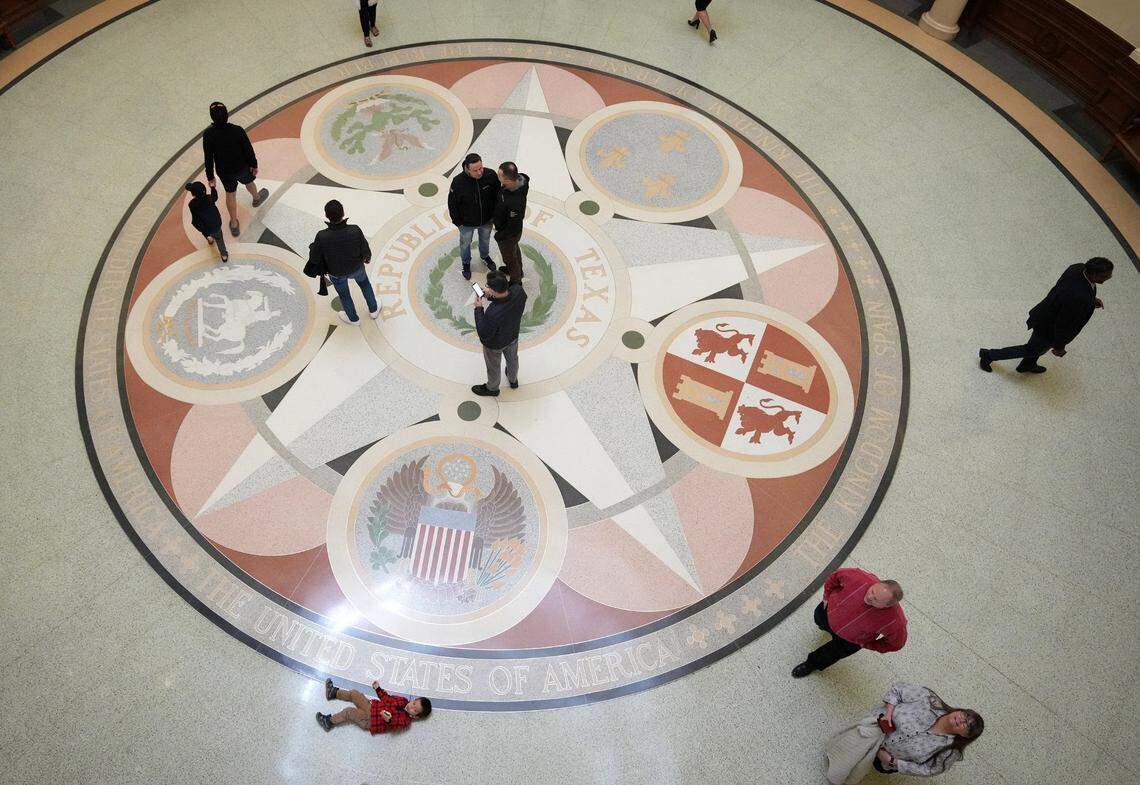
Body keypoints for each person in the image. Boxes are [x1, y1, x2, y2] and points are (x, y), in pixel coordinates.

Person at [825, 682, 984, 783]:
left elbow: (929, 770)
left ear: (965, 736)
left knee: (856, 770)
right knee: (845, 749)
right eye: (966, 715)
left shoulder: (950, 752)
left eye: (967, 726)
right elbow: (897, 690)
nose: (962, 720)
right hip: (874, 731)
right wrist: (888, 714)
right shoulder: (929, 699)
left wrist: (893, 761)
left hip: (885, 760)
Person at [979, 257, 1113, 374]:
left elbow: (1067, 292)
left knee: (1036, 348)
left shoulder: (1077, 268)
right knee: (1031, 349)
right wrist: (1059, 346)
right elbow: (1064, 324)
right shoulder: (1079, 298)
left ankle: (1027, 365)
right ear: (1094, 274)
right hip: (1049, 328)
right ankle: (989, 355)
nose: (1109, 278)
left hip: (1044, 314)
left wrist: (1090, 300)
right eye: (1105, 276)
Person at [791, 567, 906, 678]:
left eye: (876, 600)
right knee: (819, 619)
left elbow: (896, 644)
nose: (870, 597)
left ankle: (810, 665)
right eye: (872, 591)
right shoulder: (857, 576)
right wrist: (826, 597)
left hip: (850, 641)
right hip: (828, 614)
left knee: (828, 655)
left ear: (887, 606)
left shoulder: (895, 621)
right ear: (877, 583)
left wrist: (867, 644)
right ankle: (823, 627)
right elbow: (834, 577)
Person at [203, 101, 269, 237]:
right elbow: (248, 149)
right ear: (227, 115)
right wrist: (254, 164)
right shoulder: (237, 130)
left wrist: (210, 177)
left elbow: (208, 157)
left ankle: (234, 223)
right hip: (242, 167)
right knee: (249, 183)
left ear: (212, 117)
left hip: (224, 172)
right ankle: (256, 198)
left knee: (230, 193)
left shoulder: (208, 135)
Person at [307, 200, 377, 325]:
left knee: (344, 294)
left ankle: (353, 319)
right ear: (343, 213)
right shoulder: (354, 230)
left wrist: (313, 247)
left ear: (327, 216)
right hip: (357, 268)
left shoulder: (322, 236)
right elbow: (364, 247)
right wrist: (367, 257)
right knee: (365, 285)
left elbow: (315, 258)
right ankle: (374, 310)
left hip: (336, 273)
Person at [447, 153, 501, 280]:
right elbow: (452, 203)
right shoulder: (458, 182)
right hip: (466, 223)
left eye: (481, 168)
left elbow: (498, 196)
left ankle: (484, 256)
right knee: (465, 244)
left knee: (485, 240)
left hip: (487, 220)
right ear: (467, 168)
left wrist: (495, 215)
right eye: (475, 170)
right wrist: (458, 222)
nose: (479, 172)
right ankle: (466, 263)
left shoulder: (490, 175)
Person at [472, 273, 526, 397]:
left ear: (493, 290)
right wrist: (491, 295)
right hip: (512, 335)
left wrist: (479, 309)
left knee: (493, 366)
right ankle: (513, 380)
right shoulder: (519, 291)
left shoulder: (493, 313)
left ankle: (492, 388)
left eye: (488, 287)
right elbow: (507, 298)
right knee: (513, 359)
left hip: (495, 345)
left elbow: (483, 333)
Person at [317, 678, 431, 734]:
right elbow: (387, 698)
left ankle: (328, 722)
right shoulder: (403, 700)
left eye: (415, 710)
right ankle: (333, 693)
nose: (411, 707)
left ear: (415, 716)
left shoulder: (405, 721)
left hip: (369, 720)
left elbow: (396, 722)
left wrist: (389, 719)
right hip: (371, 707)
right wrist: (378, 689)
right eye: (414, 703)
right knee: (354, 693)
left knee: (349, 712)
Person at [492, 161, 530, 285]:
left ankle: (516, 281)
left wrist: (500, 236)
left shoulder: (515, 201)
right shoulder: (521, 179)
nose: (497, 177)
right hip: (514, 233)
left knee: (509, 258)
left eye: (500, 176)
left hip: (509, 234)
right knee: (514, 250)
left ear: (508, 181)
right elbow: (526, 177)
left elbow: (512, 226)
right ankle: (518, 271)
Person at [185, 182, 228, 262]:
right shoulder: (209, 198)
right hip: (216, 224)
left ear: (193, 195)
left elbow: (196, 219)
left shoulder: (192, 205)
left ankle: (209, 239)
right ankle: (224, 255)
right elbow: (215, 196)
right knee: (219, 240)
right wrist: (212, 188)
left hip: (204, 227)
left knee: (206, 232)